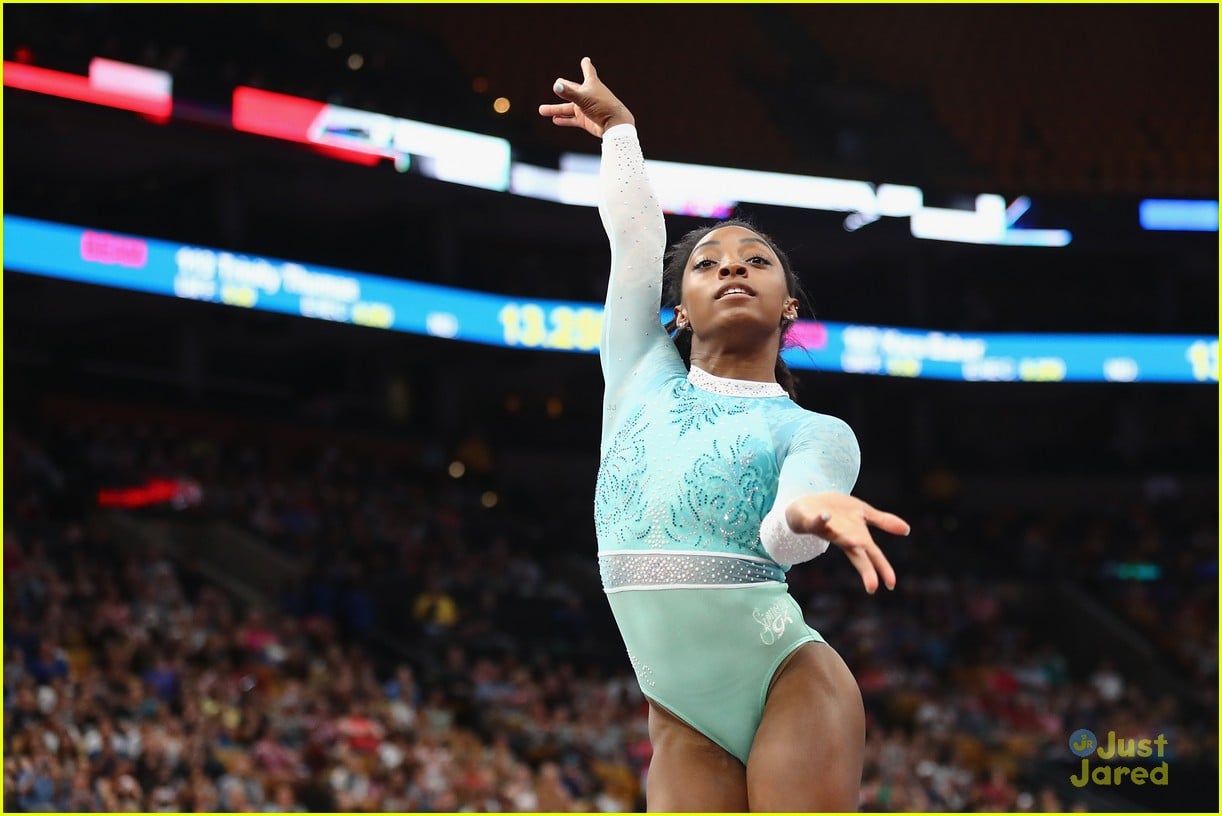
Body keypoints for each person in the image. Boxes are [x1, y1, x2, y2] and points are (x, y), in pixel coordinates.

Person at [539, 58, 912, 812]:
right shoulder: (640, 376)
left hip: (787, 681)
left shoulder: (812, 429)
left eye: (756, 261)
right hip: (680, 711)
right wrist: (619, 134)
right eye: (707, 263)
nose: (731, 267)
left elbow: (785, 529)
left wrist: (815, 512)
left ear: (787, 308)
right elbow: (638, 241)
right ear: (677, 311)